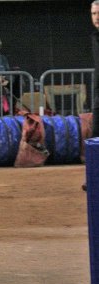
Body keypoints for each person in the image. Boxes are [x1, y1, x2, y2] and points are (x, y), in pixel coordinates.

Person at [85, 1, 99, 191]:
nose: (97, 17)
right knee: (95, 138)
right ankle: (94, 179)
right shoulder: (95, 38)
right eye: (94, 13)